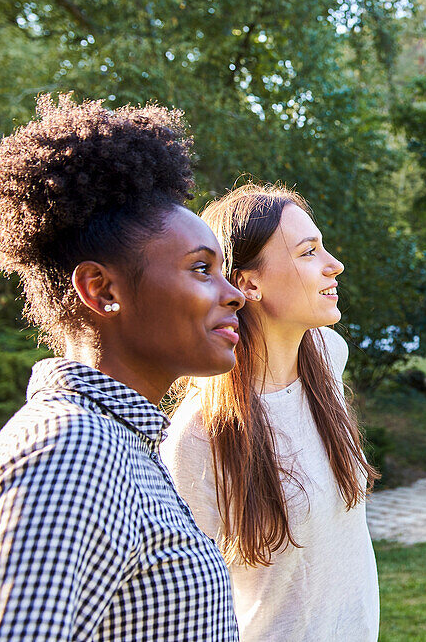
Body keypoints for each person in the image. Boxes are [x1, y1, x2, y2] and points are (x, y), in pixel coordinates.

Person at [0, 95, 244, 641]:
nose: (234, 296)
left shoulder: (118, 442)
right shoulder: (70, 450)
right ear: (102, 291)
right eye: (202, 269)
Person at [161, 183, 380, 641]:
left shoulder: (327, 356)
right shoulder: (199, 434)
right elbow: (188, 605)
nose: (334, 264)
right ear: (248, 283)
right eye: (308, 252)